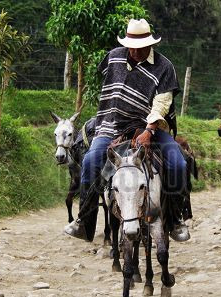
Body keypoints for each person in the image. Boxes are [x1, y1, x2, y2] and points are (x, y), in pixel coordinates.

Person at [65, 18, 189, 242]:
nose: (134, 51)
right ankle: (84, 220)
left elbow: (162, 103)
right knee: (91, 161)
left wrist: (149, 131)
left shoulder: (164, 67)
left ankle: (176, 219)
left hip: (147, 126)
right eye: (131, 46)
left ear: (150, 44)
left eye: (140, 47)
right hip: (110, 124)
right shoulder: (113, 57)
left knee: (178, 162)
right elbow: (108, 89)